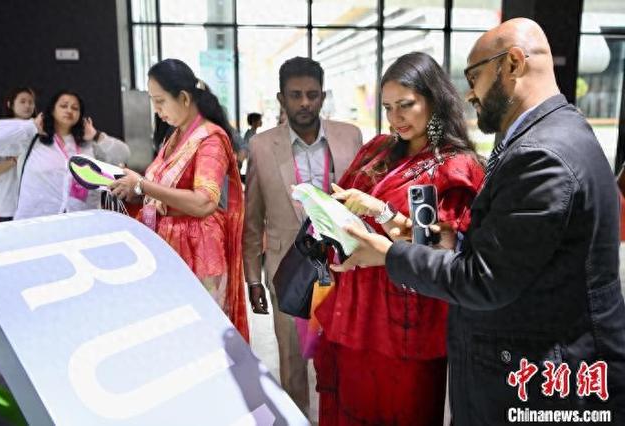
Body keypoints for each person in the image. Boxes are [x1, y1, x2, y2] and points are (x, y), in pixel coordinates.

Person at [331, 18, 625, 425]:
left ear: (513, 63)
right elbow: (514, 250)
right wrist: (450, 240)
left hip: (537, 369)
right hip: (525, 354)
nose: (469, 92)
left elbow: (485, 279)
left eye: (474, 77)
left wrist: (388, 253)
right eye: (388, 107)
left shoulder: (540, 155)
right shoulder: (551, 134)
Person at [313, 52, 485, 425]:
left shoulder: (454, 166)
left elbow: (441, 250)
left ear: (434, 99)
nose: (395, 118)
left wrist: (381, 211)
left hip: (408, 316)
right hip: (353, 303)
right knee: (347, 404)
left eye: (405, 105)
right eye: (388, 107)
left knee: (402, 409)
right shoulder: (377, 149)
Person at [243, 56, 362, 416]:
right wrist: (253, 280)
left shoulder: (350, 137)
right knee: (293, 363)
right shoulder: (262, 146)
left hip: (343, 267)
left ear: (323, 96)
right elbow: (253, 219)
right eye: (296, 95)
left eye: (312, 94)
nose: (305, 103)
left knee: (342, 357)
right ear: (281, 99)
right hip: (287, 270)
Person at [109, 58, 249, 341]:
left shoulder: (210, 139)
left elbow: (204, 202)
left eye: (160, 101)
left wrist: (143, 185)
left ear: (184, 98)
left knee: (201, 333)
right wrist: (135, 188)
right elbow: (161, 188)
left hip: (198, 246)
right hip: (169, 242)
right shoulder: (177, 135)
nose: (156, 109)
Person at [0, 89, 129, 220]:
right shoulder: (33, 139)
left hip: (82, 221)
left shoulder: (87, 143)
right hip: (38, 222)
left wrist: (96, 135)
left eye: (75, 108)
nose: (69, 110)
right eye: (63, 106)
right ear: (52, 110)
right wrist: (32, 126)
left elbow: (123, 155)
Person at [0, 87, 36, 221]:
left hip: (35, 204)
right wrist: (17, 159)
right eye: (22, 101)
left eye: (31, 102)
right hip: (10, 204)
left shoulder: (37, 131)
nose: (27, 106)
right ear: (10, 104)